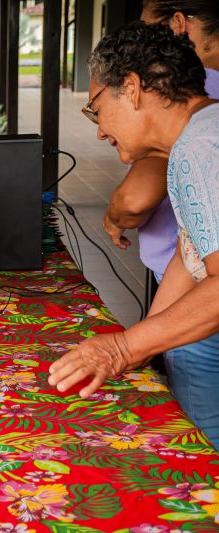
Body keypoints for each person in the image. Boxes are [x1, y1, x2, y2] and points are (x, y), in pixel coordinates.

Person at [48, 22, 219, 446]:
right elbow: (191, 254)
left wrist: (124, 348)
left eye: (96, 108)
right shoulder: (200, 133)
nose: (100, 130)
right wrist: (146, 345)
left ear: (132, 87)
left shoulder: (199, 150)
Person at [103, 1, 219, 281]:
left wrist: (115, 216)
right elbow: (187, 245)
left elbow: (136, 199)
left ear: (178, 24)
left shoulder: (195, 121)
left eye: (147, 32)